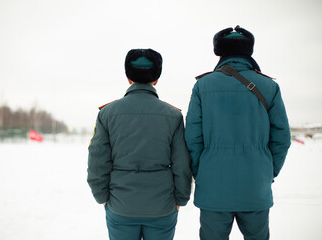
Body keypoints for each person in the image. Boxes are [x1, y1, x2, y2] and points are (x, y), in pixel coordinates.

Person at [185, 26, 291, 240]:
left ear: (220, 53)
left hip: (213, 187)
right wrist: (268, 172)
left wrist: (202, 172)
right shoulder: (269, 86)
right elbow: (281, 138)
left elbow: (192, 139)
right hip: (255, 185)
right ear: (249, 52)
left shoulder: (202, 86)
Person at [87, 48, 192, 240]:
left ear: (128, 78)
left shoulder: (107, 113)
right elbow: (182, 163)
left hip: (120, 206)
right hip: (162, 207)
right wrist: (181, 199)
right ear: (156, 79)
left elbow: (97, 160)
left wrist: (102, 197)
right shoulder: (173, 115)